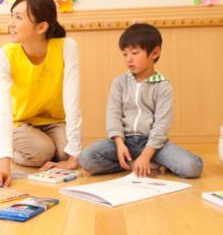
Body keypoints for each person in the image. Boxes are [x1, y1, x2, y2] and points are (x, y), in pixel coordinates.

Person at [79, 23, 203, 178]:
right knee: (86, 158)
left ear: (155, 53)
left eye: (134, 53)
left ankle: (148, 161)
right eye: (125, 54)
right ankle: (133, 164)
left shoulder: (163, 85)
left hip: (154, 145)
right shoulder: (119, 82)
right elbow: (113, 114)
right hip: (124, 143)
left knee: (192, 167)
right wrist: (119, 143)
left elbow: (162, 124)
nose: (128, 59)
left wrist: (146, 155)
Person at [0, 0, 83, 187]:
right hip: (20, 123)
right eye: (12, 16)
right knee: (42, 153)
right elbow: (2, 110)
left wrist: (73, 156)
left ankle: (49, 146)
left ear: (41, 27)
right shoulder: (2, 57)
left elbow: (72, 100)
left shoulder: (67, 47)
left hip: (55, 121)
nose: (11, 24)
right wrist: (4, 162)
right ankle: (17, 150)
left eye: (19, 17)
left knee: (65, 152)